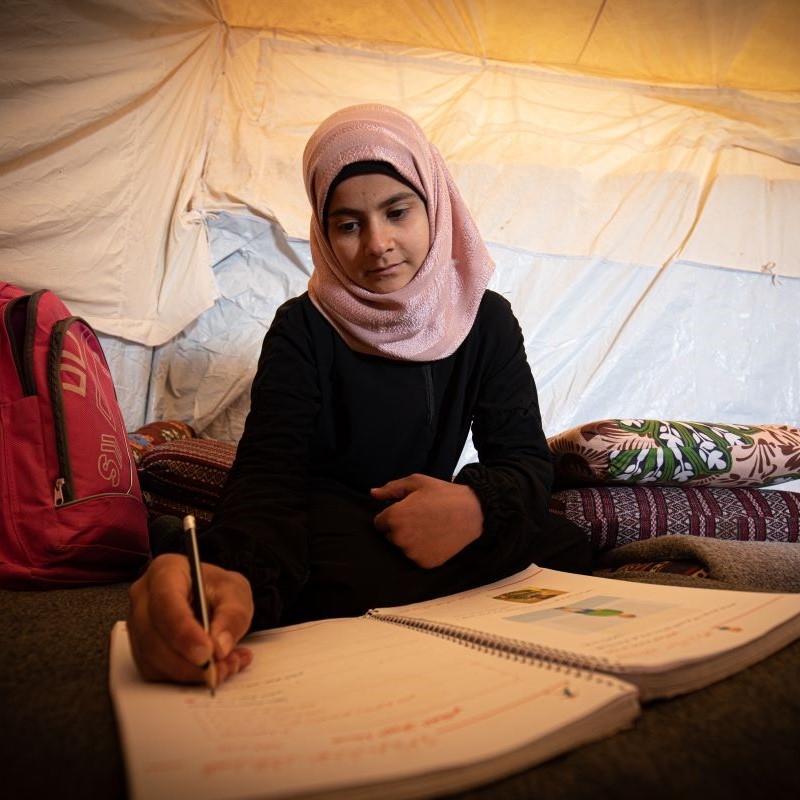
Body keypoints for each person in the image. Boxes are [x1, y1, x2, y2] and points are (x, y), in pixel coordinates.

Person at [127, 103, 592, 687]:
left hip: (430, 520)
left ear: (436, 205)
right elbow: (270, 475)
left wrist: (472, 508)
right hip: (329, 526)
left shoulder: (486, 320)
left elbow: (524, 461)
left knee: (567, 543)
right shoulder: (303, 328)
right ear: (324, 234)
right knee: (302, 558)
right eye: (348, 225)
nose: (378, 244)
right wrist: (238, 572)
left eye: (397, 212)